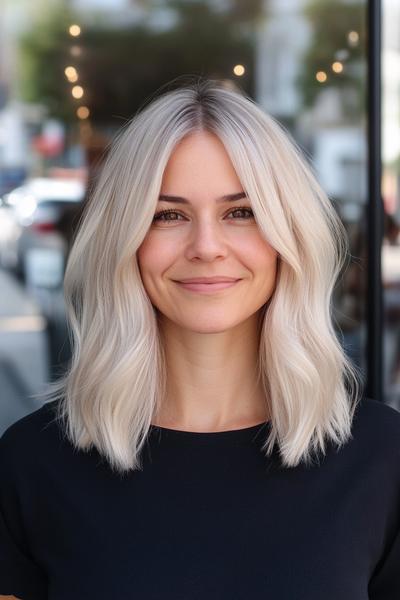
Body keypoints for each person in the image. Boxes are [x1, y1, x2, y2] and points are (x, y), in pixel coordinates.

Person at [0, 77, 399, 600]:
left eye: (241, 212)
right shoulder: (32, 465)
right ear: (126, 240)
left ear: (289, 235)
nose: (206, 246)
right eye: (168, 215)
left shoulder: (381, 459)